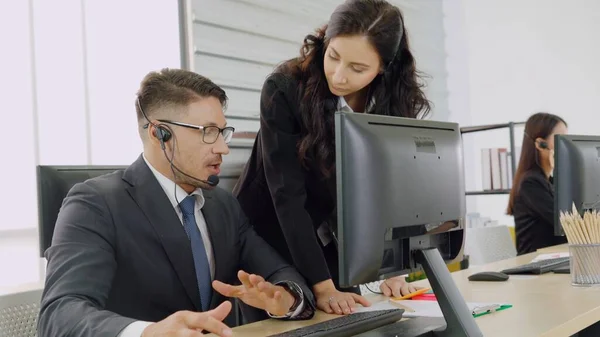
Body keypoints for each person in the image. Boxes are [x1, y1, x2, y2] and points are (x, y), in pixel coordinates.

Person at [37, 69, 315, 337]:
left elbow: (280, 272)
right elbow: (59, 315)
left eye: (222, 132)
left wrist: (285, 300)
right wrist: (147, 332)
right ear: (160, 134)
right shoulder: (95, 205)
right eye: (208, 131)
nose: (223, 148)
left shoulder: (223, 205)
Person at [233, 0, 430, 316]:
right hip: (270, 227)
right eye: (333, 56)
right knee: (300, 312)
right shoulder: (285, 88)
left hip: (325, 230)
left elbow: (392, 188)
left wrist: (393, 269)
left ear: (384, 66)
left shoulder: (391, 102)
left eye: (357, 68)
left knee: (349, 313)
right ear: (324, 43)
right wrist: (322, 286)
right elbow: (287, 195)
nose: (338, 76)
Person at [507, 112, 568, 255]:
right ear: (541, 144)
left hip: (555, 258)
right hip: (535, 264)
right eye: (560, 138)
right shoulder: (530, 183)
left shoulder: (549, 181)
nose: (566, 144)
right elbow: (564, 223)